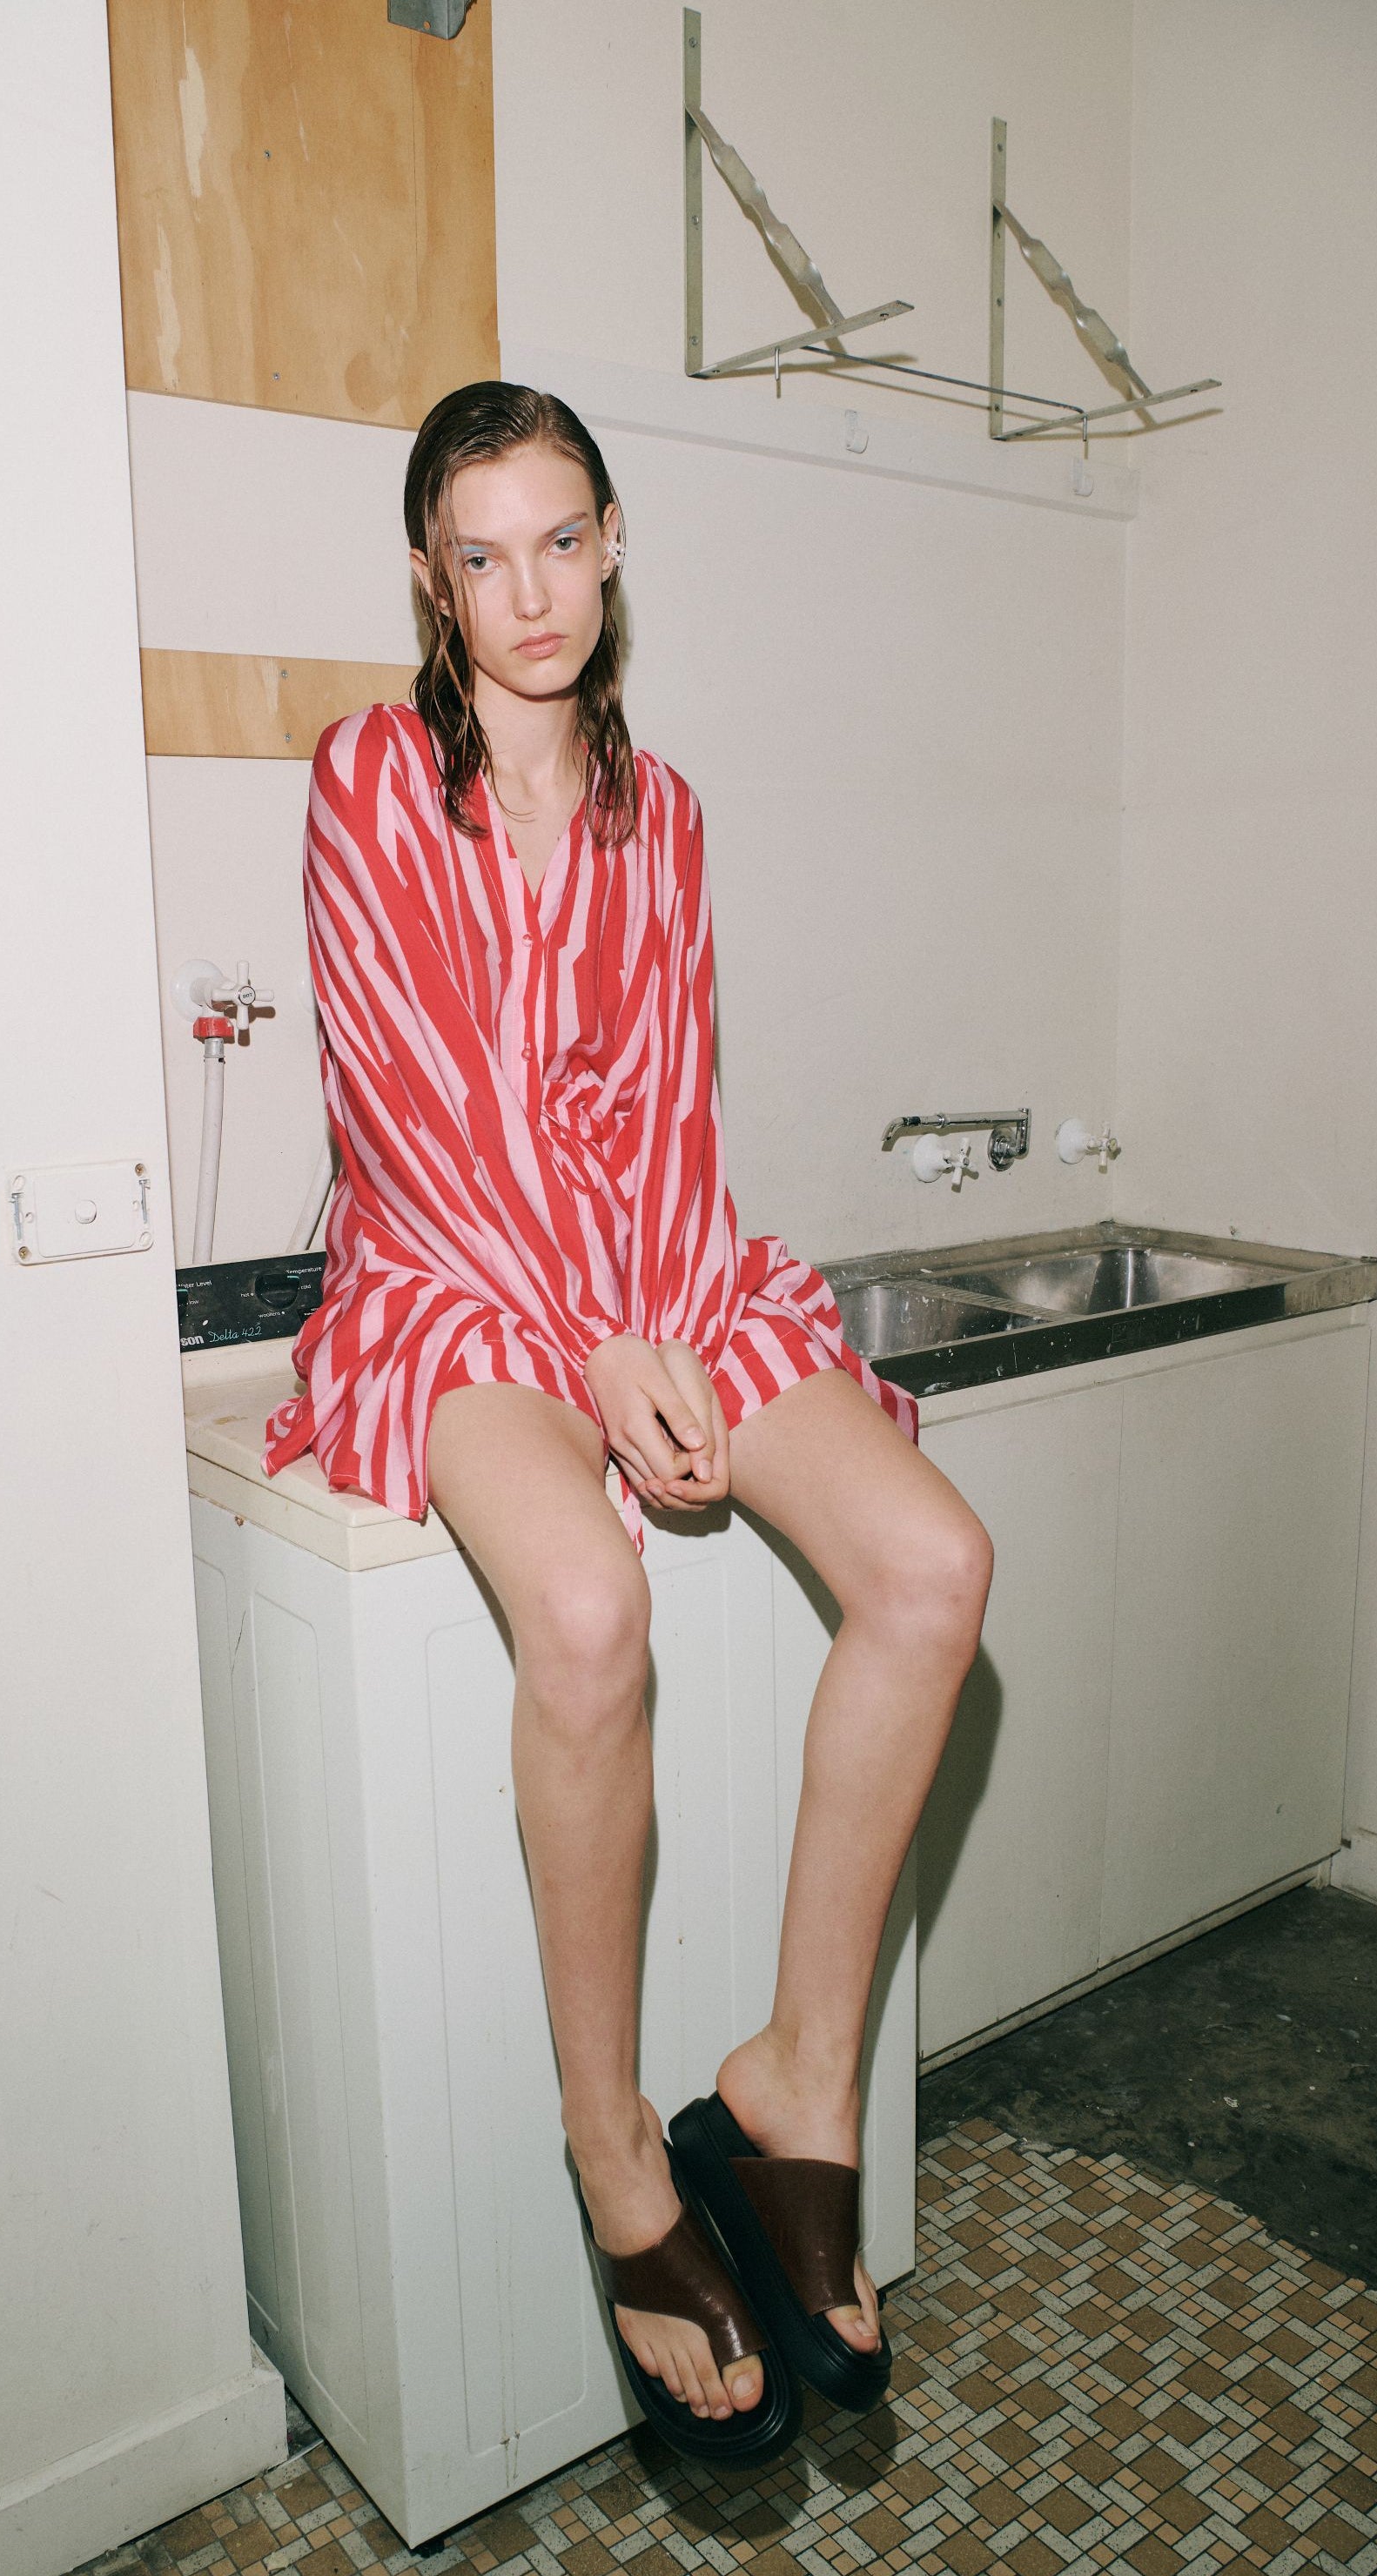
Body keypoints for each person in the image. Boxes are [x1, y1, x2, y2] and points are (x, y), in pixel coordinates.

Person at [263, 381, 992, 2462]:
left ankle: (792, 2083)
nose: (527, 589)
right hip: (449, 1281)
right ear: (430, 573)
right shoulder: (366, 783)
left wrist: (666, 1321)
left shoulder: (660, 811)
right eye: (479, 552)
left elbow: (666, 1109)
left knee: (936, 1564)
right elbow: (431, 1115)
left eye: (560, 537)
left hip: (657, 1262)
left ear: (611, 541)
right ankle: (613, 2143)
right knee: (587, 1607)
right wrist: (592, 1354)